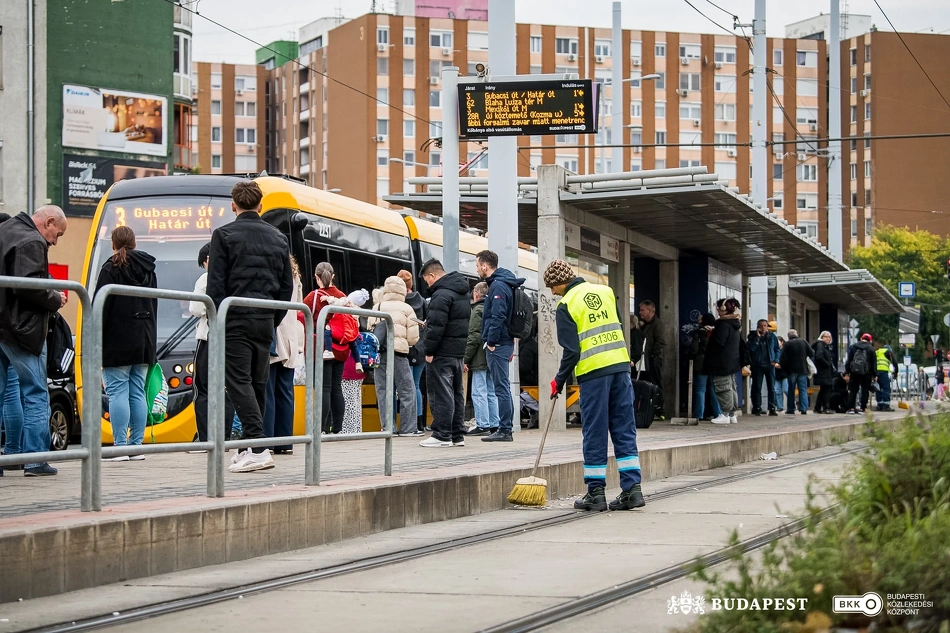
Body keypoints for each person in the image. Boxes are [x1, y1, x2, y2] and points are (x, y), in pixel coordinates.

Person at [207, 181, 293, 473]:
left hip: (236, 318)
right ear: (260, 205)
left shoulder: (223, 235)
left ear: (234, 205)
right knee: (258, 382)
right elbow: (286, 287)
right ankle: (247, 446)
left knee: (237, 381)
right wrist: (273, 318)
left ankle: (257, 446)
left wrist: (221, 318)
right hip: (266, 320)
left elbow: (215, 286)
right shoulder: (279, 238)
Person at [544, 260, 644, 511]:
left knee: (595, 431)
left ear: (559, 283)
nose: (552, 293)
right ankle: (633, 490)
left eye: (552, 288)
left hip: (594, 373)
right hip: (620, 368)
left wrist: (559, 380)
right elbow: (620, 329)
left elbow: (572, 350)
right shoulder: (606, 292)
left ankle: (595, 492)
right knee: (624, 428)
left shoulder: (566, 304)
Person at [0, 206, 69, 476]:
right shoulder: (32, 240)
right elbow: (28, 286)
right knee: (36, 393)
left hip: (1, 325)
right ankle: (35, 460)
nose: (54, 241)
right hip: (22, 330)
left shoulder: (4, 230)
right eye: (57, 234)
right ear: (48, 222)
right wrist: (55, 298)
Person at [95, 226, 157, 460]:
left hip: (117, 339)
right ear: (135, 242)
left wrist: (96, 340)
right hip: (144, 339)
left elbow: (101, 307)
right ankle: (136, 447)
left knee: (117, 391)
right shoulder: (149, 268)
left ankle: (120, 446)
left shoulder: (110, 268)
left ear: (113, 243)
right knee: (137, 391)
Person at [418, 259, 471, 448]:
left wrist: (429, 350)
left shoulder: (441, 295)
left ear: (432, 275)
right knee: (456, 393)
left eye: (427, 280)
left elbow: (436, 326)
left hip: (441, 352)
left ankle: (442, 434)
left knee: (440, 393)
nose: (427, 284)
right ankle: (457, 435)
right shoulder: (462, 293)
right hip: (457, 352)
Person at [188, 242, 236, 451]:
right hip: (231, 339)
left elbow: (195, 307)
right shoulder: (234, 276)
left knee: (203, 389)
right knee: (226, 390)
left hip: (208, 339)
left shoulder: (206, 279)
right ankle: (223, 438)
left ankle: (206, 438)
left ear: (208, 259)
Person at [475, 249, 525, 442]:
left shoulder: (497, 286)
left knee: (501, 387)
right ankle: (505, 428)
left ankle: (505, 430)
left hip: (499, 343)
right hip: (504, 341)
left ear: (485, 266)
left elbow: (498, 315)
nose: (477, 269)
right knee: (502, 387)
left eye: (478, 265)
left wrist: (492, 341)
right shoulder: (504, 283)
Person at [368, 276, 421, 437]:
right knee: (407, 390)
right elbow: (413, 338)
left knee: (383, 391)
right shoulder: (407, 309)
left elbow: (370, 329)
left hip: (378, 355)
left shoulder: (377, 307)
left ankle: (387, 427)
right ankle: (408, 428)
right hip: (398, 354)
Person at [302, 262, 350, 435]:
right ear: (333, 276)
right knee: (336, 387)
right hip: (342, 347)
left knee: (324, 388)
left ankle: (321, 429)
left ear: (316, 277)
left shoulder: (313, 297)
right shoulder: (342, 296)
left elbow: (300, 317)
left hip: (321, 347)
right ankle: (336, 428)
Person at [263, 255, 304, 454]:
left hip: (275, 335)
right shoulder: (295, 277)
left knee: (268, 391)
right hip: (291, 338)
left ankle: (267, 441)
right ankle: (285, 442)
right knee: (285, 392)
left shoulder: (274, 272)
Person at [464, 282, 499, 436]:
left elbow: (474, 337)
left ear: (476, 294)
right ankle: (494, 423)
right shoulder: (492, 308)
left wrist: (466, 358)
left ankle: (483, 424)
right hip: (492, 355)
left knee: (479, 391)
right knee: (491, 391)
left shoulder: (477, 310)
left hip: (479, 357)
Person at [397, 269, 428, 433]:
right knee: (415, 386)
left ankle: (407, 423)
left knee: (404, 387)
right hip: (421, 348)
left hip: (405, 348)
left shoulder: (399, 302)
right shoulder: (422, 300)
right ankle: (419, 422)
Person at [705, 298, 742, 425]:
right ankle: (732, 414)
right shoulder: (735, 324)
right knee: (731, 386)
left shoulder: (723, 325)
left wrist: (711, 335)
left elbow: (719, 343)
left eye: (718, 308)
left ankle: (725, 414)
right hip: (732, 361)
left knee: (723, 387)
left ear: (723, 309)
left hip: (721, 362)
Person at [638, 300, 668, 421]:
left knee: (656, 383)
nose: (640, 313)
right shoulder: (645, 325)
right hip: (645, 360)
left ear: (650, 311)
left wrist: (654, 356)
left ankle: (659, 409)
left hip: (653, 360)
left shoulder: (658, 324)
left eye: (642, 310)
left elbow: (661, 341)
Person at [690, 313, 721, 422]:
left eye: (700, 320)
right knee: (714, 390)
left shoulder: (699, 332)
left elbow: (694, 349)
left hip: (701, 364)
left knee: (700, 390)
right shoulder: (717, 332)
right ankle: (718, 413)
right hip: (713, 364)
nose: (698, 322)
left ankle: (699, 414)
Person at [747, 319, 780, 416]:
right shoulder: (752, 337)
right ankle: (757, 407)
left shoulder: (772, 336)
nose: (763, 328)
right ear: (757, 327)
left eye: (765, 325)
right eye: (761, 326)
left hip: (770, 364)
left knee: (771, 387)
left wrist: (776, 360)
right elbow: (751, 349)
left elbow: (777, 349)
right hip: (758, 365)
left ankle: (772, 407)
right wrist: (757, 338)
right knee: (757, 387)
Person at [780, 329, 814, 415]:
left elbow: (783, 358)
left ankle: (791, 409)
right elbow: (811, 353)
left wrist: (784, 368)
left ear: (788, 336)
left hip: (791, 370)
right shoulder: (803, 342)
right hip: (803, 369)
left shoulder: (787, 344)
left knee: (791, 389)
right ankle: (803, 408)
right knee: (802, 389)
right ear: (797, 334)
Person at [845, 333, 876, 414]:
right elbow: (873, 363)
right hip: (866, 373)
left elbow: (849, 360)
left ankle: (851, 408)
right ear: (870, 340)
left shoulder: (853, 347)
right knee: (865, 390)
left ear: (861, 338)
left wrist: (847, 371)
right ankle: (862, 408)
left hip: (854, 371)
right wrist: (875, 375)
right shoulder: (871, 349)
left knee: (853, 390)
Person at [812, 331, 837, 414]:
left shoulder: (826, 346)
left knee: (823, 390)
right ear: (821, 337)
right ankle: (826, 407)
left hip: (825, 372)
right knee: (827, 389)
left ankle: (817, 407)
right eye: (825, 337)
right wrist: (827, 364)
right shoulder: (820, 345)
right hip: (823, 372)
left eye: (829, 337)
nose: (827, 338)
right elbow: (819, 357)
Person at [341, 351, 364, 434]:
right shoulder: (358, 338)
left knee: (348, 405)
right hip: (358, 370)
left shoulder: (347, 338)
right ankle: (356, 431)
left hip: (347, 371)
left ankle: (348, 431)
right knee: (355, 404)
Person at [873, 340, 898, 412]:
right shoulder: (888, 352)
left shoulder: (876, 352)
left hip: (876, 373)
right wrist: (896, 372)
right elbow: (895, 362)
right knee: (886, 388)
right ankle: (886, 405)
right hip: (883, 372)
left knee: (878, 388)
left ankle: (879, 405)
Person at [774, 336, 788, 411]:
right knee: (777, 391)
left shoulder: (785, 351)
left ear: (782, 342)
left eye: (778, 341)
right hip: (777, 374)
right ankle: (780, 406)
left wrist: (780, 365)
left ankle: (791, 403)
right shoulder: (774, 350)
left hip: (785, 373)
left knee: (786, 389)